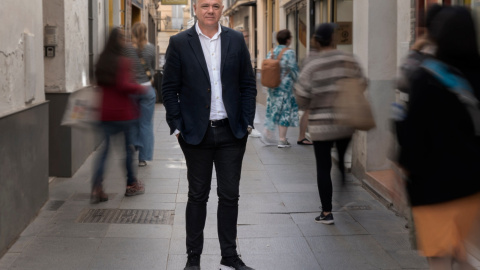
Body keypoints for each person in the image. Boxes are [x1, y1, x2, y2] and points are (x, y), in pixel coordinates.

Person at [161, 0, 257, 268]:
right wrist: (178, 125)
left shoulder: (236, 40)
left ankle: (229, 255)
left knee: (229, 195)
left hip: (231, 132)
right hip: (195, 134)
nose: (210, 10)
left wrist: (247, 122)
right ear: (195, 8)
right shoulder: (180, 42)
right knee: (197, 196)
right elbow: (169, 88)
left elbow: (248, 84)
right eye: (205, 5)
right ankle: (194, 259)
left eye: (216, 5)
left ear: (223, 9)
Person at [398, 6, 480, 269]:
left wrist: (403, 174)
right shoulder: (477, 76)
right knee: (463, 251)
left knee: (441, 259)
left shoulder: (427, 77)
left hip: (433, 188)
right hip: (473, 185)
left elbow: (412, 138)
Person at [295, 23, 366, 225]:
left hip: (320, 126)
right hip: (345, 122)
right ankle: (345, 192)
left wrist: (312, 102)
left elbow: (301, 96)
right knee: (342, 161)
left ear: (317, 40)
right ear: (334, 39)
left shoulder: (312, 64)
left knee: (323, 167)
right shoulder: (348, 59)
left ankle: (327, 212)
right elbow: (362, 83)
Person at [91, 27, 146, 203]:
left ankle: (97, 187)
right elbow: (124, 85)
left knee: (104, 151)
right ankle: (131, 184)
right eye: (123, 37)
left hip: (105, 113)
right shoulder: (123, 61)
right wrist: (140, 88)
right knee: (128, 151)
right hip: (123, 114)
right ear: (118, 41)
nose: (125, 41)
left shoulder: (101, 60)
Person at [124, 22, 156, 167]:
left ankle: (134, 145)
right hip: (147, 89)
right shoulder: (151, 48)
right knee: (146, 124)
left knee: (132, 121)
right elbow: (152, 68)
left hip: (131, 89)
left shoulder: (126, 49)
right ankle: (144, 157)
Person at [263, 29, 300, 148]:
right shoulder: (289, 52)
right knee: (284, 112)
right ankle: (282, 139)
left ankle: (267, 134)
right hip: (285, 88)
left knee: (272, 109)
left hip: (272, 86)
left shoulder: (272, 51)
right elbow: (294, 70)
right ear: (288, 40)